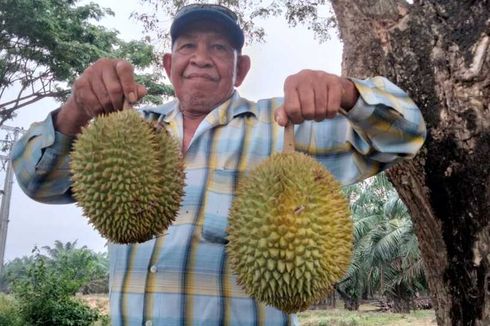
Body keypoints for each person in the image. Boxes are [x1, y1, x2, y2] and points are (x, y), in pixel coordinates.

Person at [12, 3, 426, 325]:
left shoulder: (287, 127)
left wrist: (346, 93)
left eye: (219, 48)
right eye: (187, 46)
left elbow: (404, 135)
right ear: (167, 64)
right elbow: (35, 180)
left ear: (240, 68)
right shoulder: (126, 130)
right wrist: (76, 109)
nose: (201, 57)